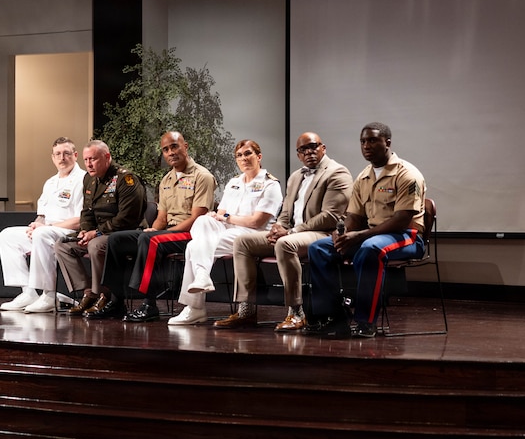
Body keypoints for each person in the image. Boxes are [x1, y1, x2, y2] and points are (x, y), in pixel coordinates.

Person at [215, 132, 353, 331]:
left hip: (321, 233)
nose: (309, 152)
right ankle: (246, 310)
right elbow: (286, 212)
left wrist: (291, 232)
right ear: (298, 155)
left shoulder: (337, 173)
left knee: (285, 243)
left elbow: (331, 216)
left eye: (313, 146)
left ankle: (296, 312)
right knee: (243, 242)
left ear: (323, 148)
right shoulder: (296, 176)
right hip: (293, 232)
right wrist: (278, 227)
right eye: (303, 149)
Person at [306, 122, 427, 338]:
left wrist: (359, 236)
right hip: (372, 235)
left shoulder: (407, 174)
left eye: (372, 140)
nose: (366, 145)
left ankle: (365, 321)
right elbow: (355, 216)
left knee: (371, 249)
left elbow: (402, 220)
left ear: (387, 143)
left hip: (407, 236)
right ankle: (334, 317)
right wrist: (342, 234)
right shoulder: (363, 177)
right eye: (363, 141)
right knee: (319, 248)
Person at [167, 139, 283, 325]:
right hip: (228, 229)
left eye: (248, 154)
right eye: (239, 155)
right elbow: (220, 213)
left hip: (253, 235)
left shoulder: (270, 185)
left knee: (193, 246)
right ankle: (202, 278)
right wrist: (218, 217)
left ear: (258, 157)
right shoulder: (234, 182)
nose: (243, 158)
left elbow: (256, 221)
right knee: (203, 220)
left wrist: (226, 218)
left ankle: (194, 307)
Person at [109, 131, 218, 322]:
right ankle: (115, 299)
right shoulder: (167, 179)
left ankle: (149, 304)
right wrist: (154, 229)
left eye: (174, 146)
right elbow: (162, 217)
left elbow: (197, 218)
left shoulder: (203, 177)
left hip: (192, 234)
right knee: (116, 240)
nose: (170, 152)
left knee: (151, 240)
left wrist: (161, 233)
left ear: (186, 146)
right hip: (169, 233)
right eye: (165, 149)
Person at [52, 140, 147, 318]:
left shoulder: (126, 179)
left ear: (107, 157)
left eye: (93, 159)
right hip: (98, 233)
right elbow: (87, 211)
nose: (88, 164)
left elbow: (127, 218)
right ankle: (89, 293)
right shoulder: (89, 178)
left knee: (95, 245)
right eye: (86, 159)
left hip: (127, 234)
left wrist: (96, 232)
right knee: (62, 245)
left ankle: (106, 296)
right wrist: (84, 231)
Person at [0, 137, 85, 313]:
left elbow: (81, 220)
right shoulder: (50, 183)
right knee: (7, 235)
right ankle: (28, 292)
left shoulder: (83, 180)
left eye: (67, 153)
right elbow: (42, 216)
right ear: (52, 157)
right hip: (46, 231)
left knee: (41, 235)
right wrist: (35, 225)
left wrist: (44, 228)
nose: (62, 158)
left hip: (69, 231)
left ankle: (48, 295)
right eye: (58, 154)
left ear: (75, 156)